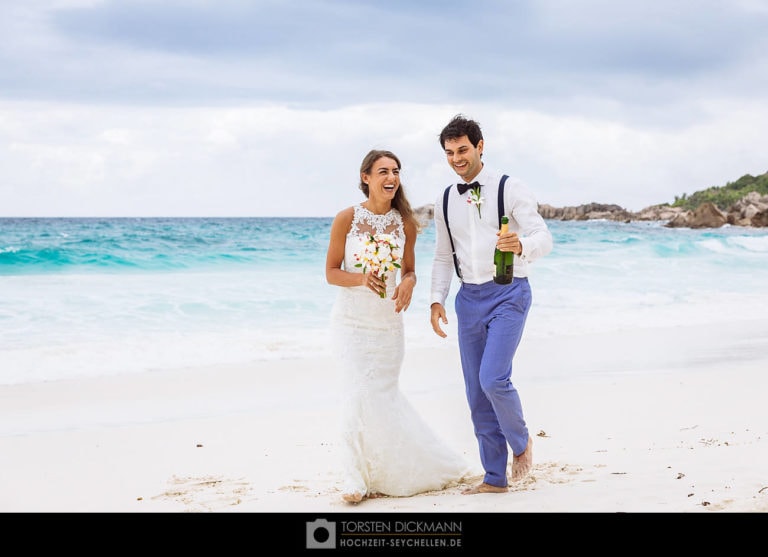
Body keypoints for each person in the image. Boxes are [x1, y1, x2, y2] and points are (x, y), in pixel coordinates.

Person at [325, 149, 471, 504]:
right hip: (351, 323)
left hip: (388, 324)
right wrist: (361, 279)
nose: (391, 177)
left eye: (396, 171)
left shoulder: (405, 222)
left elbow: (409, 269)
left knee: (381, 395)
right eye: (383, 171)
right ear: (366, 178)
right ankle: (354, 476)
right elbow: (330, 272)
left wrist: (409, 282)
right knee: (356, 394)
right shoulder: (346, 218)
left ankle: (387, 468)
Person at [430, 115, 553, 495]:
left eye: (463, 150)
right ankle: (495, 478)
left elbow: (543, 236)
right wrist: (436, 299)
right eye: (450, 153)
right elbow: (442, 256)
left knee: (493, 379)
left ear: (480, 146)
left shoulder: (509, 187)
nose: (457, 158)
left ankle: (521, 443)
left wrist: (522, 246)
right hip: (468, 299)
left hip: (510, 291)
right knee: (474, 391)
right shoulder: (446, 199)